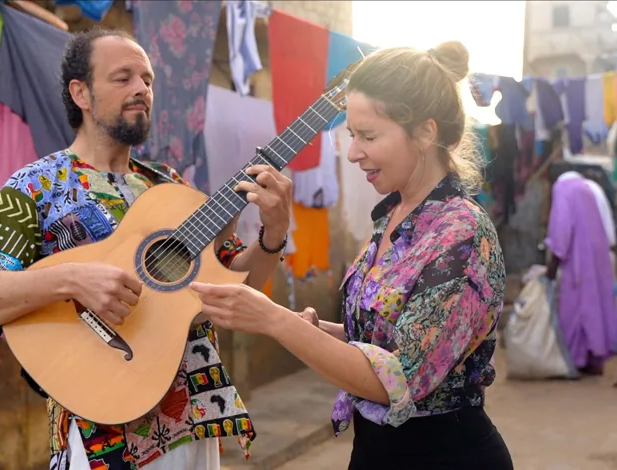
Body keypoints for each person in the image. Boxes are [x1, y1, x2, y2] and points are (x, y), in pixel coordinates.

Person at [0, 28, 293, 470]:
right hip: (101, 437)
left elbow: (238, 286)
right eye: (123, 77)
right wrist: (71, 279)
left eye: (147, 79)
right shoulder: (36, 186)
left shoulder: (169, 185)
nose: (141, 89)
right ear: (81, 93)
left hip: (196, 421)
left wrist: (273, 234)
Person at [190, 41, 514, 469]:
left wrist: (277, 321)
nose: (354, 152)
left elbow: (399, 378)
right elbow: (385, 336)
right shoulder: (394, 216)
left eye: (369, 136)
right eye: (351, 135)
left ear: (426, 132)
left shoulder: (461, 234)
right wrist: (319, 330)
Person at [545, 169, 617, 377]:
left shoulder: (563, 189)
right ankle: (595, 358)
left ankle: (575, 359)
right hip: (598, 256)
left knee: (574, 308)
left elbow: (562, 226)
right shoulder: (586, 189)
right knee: (596, 306)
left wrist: (553, 263)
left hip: (577, 259)